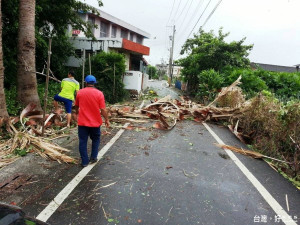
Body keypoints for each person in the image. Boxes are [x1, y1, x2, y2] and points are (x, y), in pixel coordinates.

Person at [75, 75, 110, 167]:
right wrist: (106, 119)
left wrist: (76, 113)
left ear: (85, 83)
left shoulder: (80, 93)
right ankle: (93, 157)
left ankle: (84, 162)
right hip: (95, 123)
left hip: (82, 122)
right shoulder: (99, 94)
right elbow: (103, 109)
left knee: (82, 141)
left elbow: (76, 106)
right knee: (96, 139)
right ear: (94, 83)